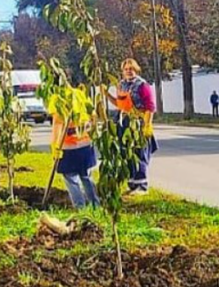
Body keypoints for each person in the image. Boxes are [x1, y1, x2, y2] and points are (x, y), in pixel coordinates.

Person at [107, 58, 157, 195]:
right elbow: (120, 104)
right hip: (124, 124)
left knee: (139, 153)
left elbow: (150, 107)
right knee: (126, 153)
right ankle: (132, 184)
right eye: (126, 69)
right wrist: (106, 95)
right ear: (122, 71)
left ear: (136, 69)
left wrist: (147, 125)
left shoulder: (142, 85)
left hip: (138, 123)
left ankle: (142, 186)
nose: (129, 71)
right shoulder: (121, 85)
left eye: (131, 69)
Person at [50, 112, 100, 209]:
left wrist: (55, 146)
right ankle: (95, 205)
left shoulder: (61, 105)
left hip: (68, 149)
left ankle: (80, 207)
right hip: (85, 146)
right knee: (86, 177)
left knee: (71, 180)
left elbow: (58, 125)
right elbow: (93, 117)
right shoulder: (84, 101)